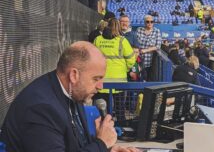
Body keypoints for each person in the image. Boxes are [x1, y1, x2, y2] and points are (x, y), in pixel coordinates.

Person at [0, 41, 139, 152]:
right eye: (96, 78)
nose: (100, 86)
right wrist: (101, 144)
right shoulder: (41, 109)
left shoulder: (73, 92)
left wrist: (109, 150)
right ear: (73, 75)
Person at [94, 18, 136, 121]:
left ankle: (103, 128)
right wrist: (126, 69)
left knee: (102, 110)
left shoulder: (98, 40)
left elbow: (92, 58)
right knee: (120, 109)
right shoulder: (122, 40)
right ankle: (121, 128)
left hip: (102, 81)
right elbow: (131, 59)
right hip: (119, 82)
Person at [136, 15, 162, 81]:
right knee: (139, 79)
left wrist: (145, 50)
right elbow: (136, 43)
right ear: (144, 22)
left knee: (148, 79)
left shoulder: (156, 31)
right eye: (148, 22)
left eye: (151, 21)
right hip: (139, 59)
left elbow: (158, 46)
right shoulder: (139, 30)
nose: (150, 23)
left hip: (150, 61)